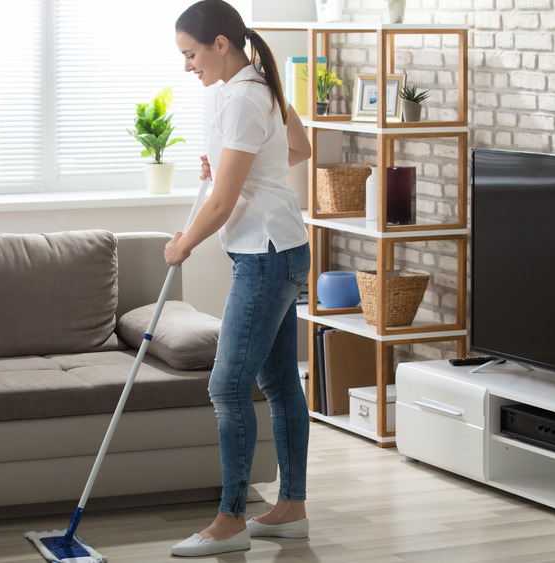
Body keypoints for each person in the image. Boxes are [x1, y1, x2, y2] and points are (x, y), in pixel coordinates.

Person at [167, 0, 313, 557]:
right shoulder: (257, 87)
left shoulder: (245, 97)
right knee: (279, 384)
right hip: (280, 248)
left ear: (220, 44)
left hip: (266, 255)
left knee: (226, 387)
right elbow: (294, 148)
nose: (187, 66)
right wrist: (234, 160)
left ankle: (231, 522)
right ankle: (291, 508)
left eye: (191, 54)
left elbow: (224, 201)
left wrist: (183, 244)